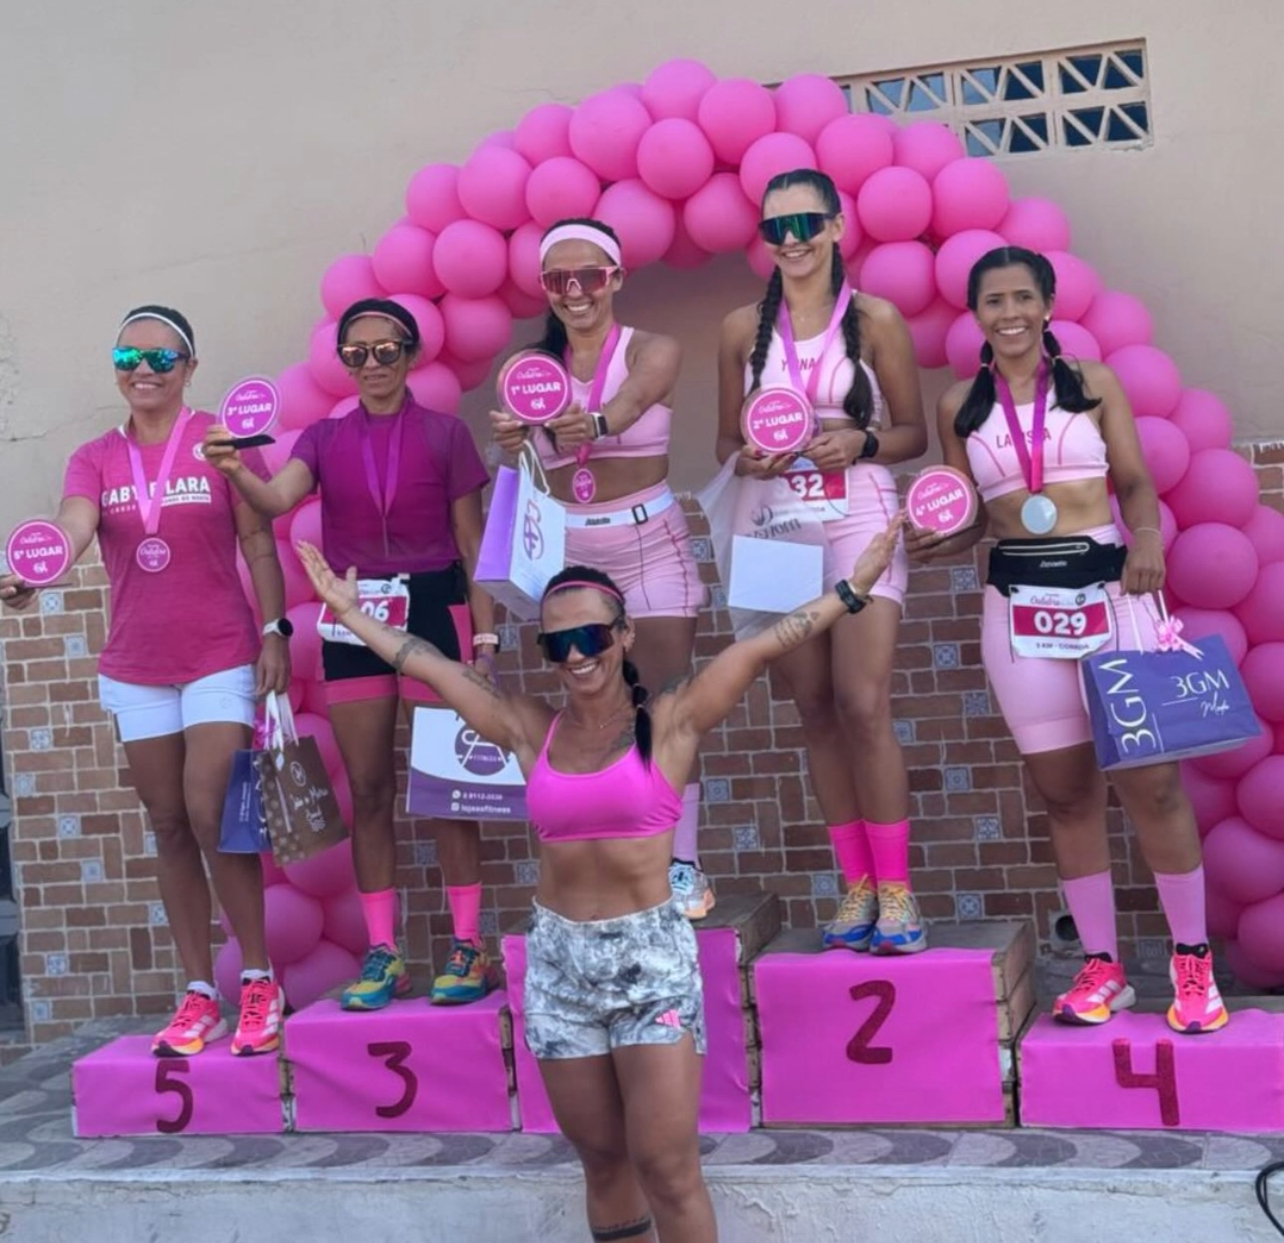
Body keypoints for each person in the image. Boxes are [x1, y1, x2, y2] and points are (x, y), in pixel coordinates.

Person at [296, 514, 901, 1243]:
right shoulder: (530, 727)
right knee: (604, 1163)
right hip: (557, 963)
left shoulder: (671, 720)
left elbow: (762, 645)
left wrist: (851, 590)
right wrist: (352, 614)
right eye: (559, 643)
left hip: (649, 957)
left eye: (592, 636)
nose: (578, 654)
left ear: (624, 634)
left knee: (669, 1167)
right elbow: (430, 665)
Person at [907, 245, 1226, 1034]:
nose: (1009, 314)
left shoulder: (1094, 383)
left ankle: (1192, 962)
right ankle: (1103, 966)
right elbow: (971, 513)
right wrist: (935, 540)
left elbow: (1137, 481)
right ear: (975, 315)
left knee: (1150, 783)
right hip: (1019, 607)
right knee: (1065, 791)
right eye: (993, 302)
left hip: (1112, 593)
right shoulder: (958, 405)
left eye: (1023, 298)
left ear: (1048, 304)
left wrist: (1146, 537)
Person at [1, 305, 291, 1056]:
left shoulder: (221, 443)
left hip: (220, 653)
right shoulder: (94, 456)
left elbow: (259, 541)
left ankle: (257, 975)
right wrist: (42, 566)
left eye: (160, 359)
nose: (142, 371)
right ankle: (201, 991)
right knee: (166, 821)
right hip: (136, 664)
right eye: (127, 356)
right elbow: (75, 521)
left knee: (210, 809)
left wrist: (273, 628)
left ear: (190, 368)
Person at [203, 298, 498, 1010]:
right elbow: (274, 499)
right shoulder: (324, 439)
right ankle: (383, 952)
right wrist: (236, 459)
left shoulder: (446, 432)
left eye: (386, 350)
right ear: (343, 364)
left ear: (410, 353)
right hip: (355, 615)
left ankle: (466, 943)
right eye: (357, 353)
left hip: (436, 604)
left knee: (446, 785)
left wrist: (485, 641)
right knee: (367, 790)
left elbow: (473, 544)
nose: (373, 364)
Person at [716, 169, 929, 954]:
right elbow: (721, 444)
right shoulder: (742, 327)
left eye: (808, 222)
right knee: (812, 709)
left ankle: (900, 890)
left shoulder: (876, 317)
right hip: (775, 524)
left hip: (858, 518)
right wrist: (749, 457)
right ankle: (856, 887)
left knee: (862, 700)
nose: (793, 239)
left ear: (838, 227)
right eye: (777, 227)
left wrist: (862, 439)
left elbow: (914, 433)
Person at [490, 217, 714, 921]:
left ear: (616, 277)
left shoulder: (654, 347)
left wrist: (599, 421)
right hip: (573, 553)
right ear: (545, 289)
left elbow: (636, 396)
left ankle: (681, 860)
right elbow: (520, 472)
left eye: (590, 275)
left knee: (670, 703)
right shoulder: (526, 370)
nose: (576, 291)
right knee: (592, 712)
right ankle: (613, 863)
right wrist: (511, 439)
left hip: (649, 540)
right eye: (559, 280)